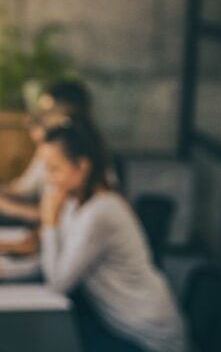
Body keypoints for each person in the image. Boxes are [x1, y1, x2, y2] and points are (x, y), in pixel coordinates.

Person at [38, 116, 185, 352]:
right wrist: (1, 271)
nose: (47, 178)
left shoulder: (101, 211)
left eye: (54, 168)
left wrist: (49, 223)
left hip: (147, 340)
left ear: (82, 166)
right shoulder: (75, 202)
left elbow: (58, 283)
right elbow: (55, 259)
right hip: (117, 327)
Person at [0, 79, 94, 223]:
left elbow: (53, 215)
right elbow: (24, 189)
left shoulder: (77, 156)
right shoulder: (50, 148)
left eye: (47, 113)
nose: (41, 118)